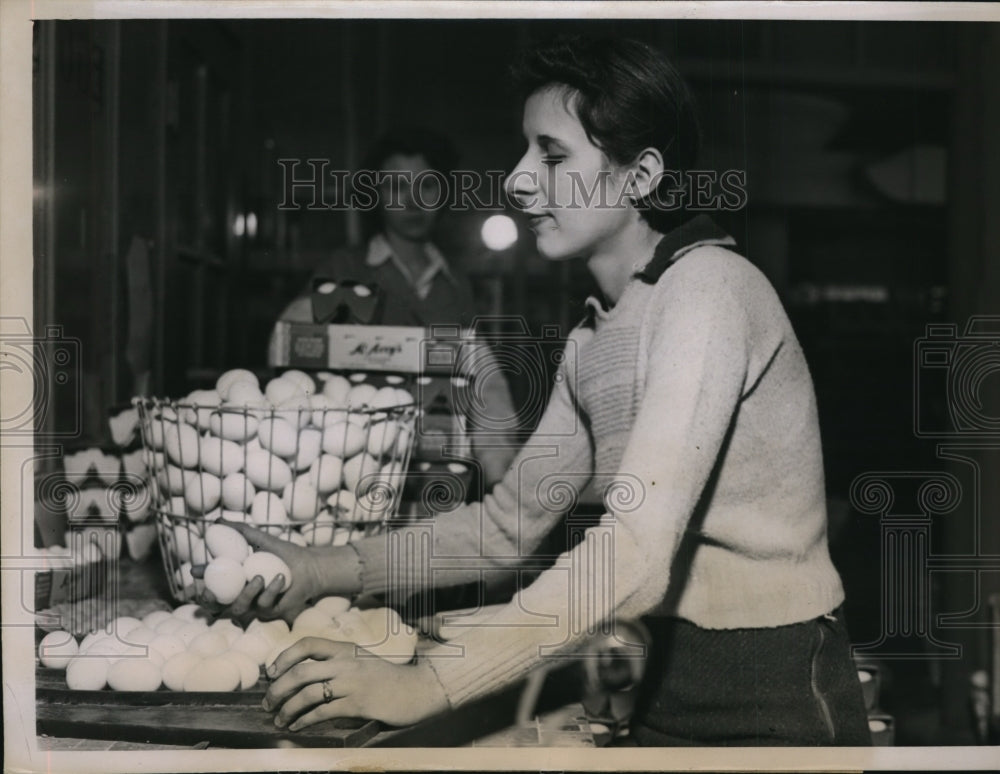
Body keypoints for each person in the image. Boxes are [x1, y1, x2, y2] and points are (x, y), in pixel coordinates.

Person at [226, 35, 870, 746]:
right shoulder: (597, 335)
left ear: (639, 175)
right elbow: (507, 524)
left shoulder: (707, 291)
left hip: (766, 689)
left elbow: (634, 547)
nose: (519, 179)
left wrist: (426, 683)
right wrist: (322, 570)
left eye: (552, 155)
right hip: (661, 679)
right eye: (525, 151)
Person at [272, 128, 520, 488]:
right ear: (376, 195)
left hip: (438, 472)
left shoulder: (456, 284)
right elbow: (292, 342)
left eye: (427, 187)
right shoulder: (346, 268)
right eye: (395, 187)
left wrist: (499, 467)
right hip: (353, 470)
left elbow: (481, 380)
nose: (413, 201)